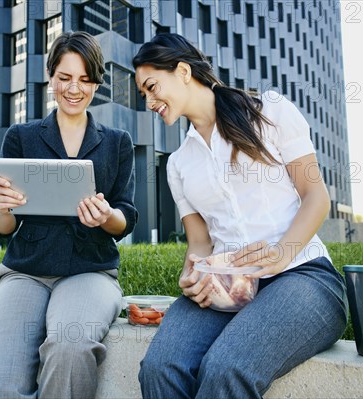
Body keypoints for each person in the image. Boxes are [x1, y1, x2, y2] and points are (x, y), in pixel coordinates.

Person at [132, 33, 347, 398]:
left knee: (226, 368)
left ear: (183, 71)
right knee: (159, 368)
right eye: (144, 94)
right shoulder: (180, 164)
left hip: (304, 276)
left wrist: (281, 253)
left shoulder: (269, 112)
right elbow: (200, 244)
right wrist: (190, 276)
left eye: (152, 87)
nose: (150, 101)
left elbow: (316, 197)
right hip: (226, 286)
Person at [0, 31, 137, 399]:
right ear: (50, 75)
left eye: (85, 80)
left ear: (97, 82)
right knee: (2, 383)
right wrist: (2, 206)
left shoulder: (117, 142)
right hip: (25, 272)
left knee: (70, 349)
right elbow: (2, 226)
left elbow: (126, 216)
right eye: (64, 78)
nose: (73, 89)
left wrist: (105, 217)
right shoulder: (21, 136)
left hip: (90, 270)